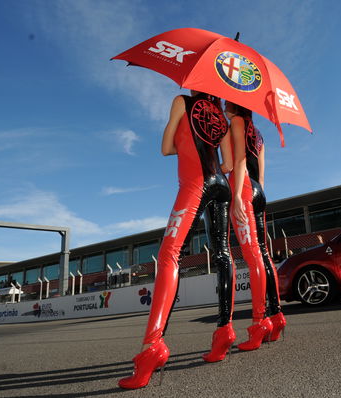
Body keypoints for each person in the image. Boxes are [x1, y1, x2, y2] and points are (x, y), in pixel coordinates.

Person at [118, 92, 235, 389]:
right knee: (223, 254)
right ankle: (225, 331)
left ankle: (152, 346)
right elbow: (229, 163)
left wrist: (187, 145)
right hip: (221, 184)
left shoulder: (183, 101)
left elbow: (166, 148)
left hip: (195, 183)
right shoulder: (220, 114)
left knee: (170, 253)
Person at [222, 101, 286, 351]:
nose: (224, 105)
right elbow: (260, 171)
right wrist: (256, 191)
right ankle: (277, 317)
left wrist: (237, 195)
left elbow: (235, 163)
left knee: (252, 256)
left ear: (234, 106)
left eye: (227, 103)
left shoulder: (236, 123)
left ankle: (259, 322)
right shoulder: (257, 132)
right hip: (258, 190)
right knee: (263, 253)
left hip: (244, 189)